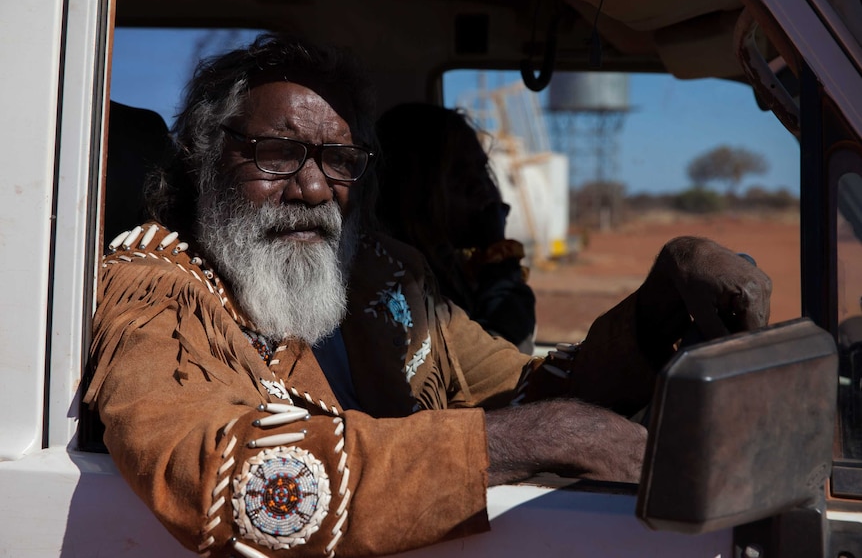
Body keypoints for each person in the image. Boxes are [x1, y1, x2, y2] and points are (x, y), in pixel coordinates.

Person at [84, 33, 772, 558]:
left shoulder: (381, 273)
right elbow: (224, 475)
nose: (316, 188)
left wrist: (661, 300)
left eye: (339, 161)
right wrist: (550, 437)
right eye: (274, 152)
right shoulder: (158, 288)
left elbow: (525, 393)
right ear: (207, 161)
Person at [375, 103, 536, 353]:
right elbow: (500, 352)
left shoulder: (449, 266)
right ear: (415, 189)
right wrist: (499, 258)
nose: (481, 186)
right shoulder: (397, 280)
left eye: (482, 169)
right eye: (459, 174)